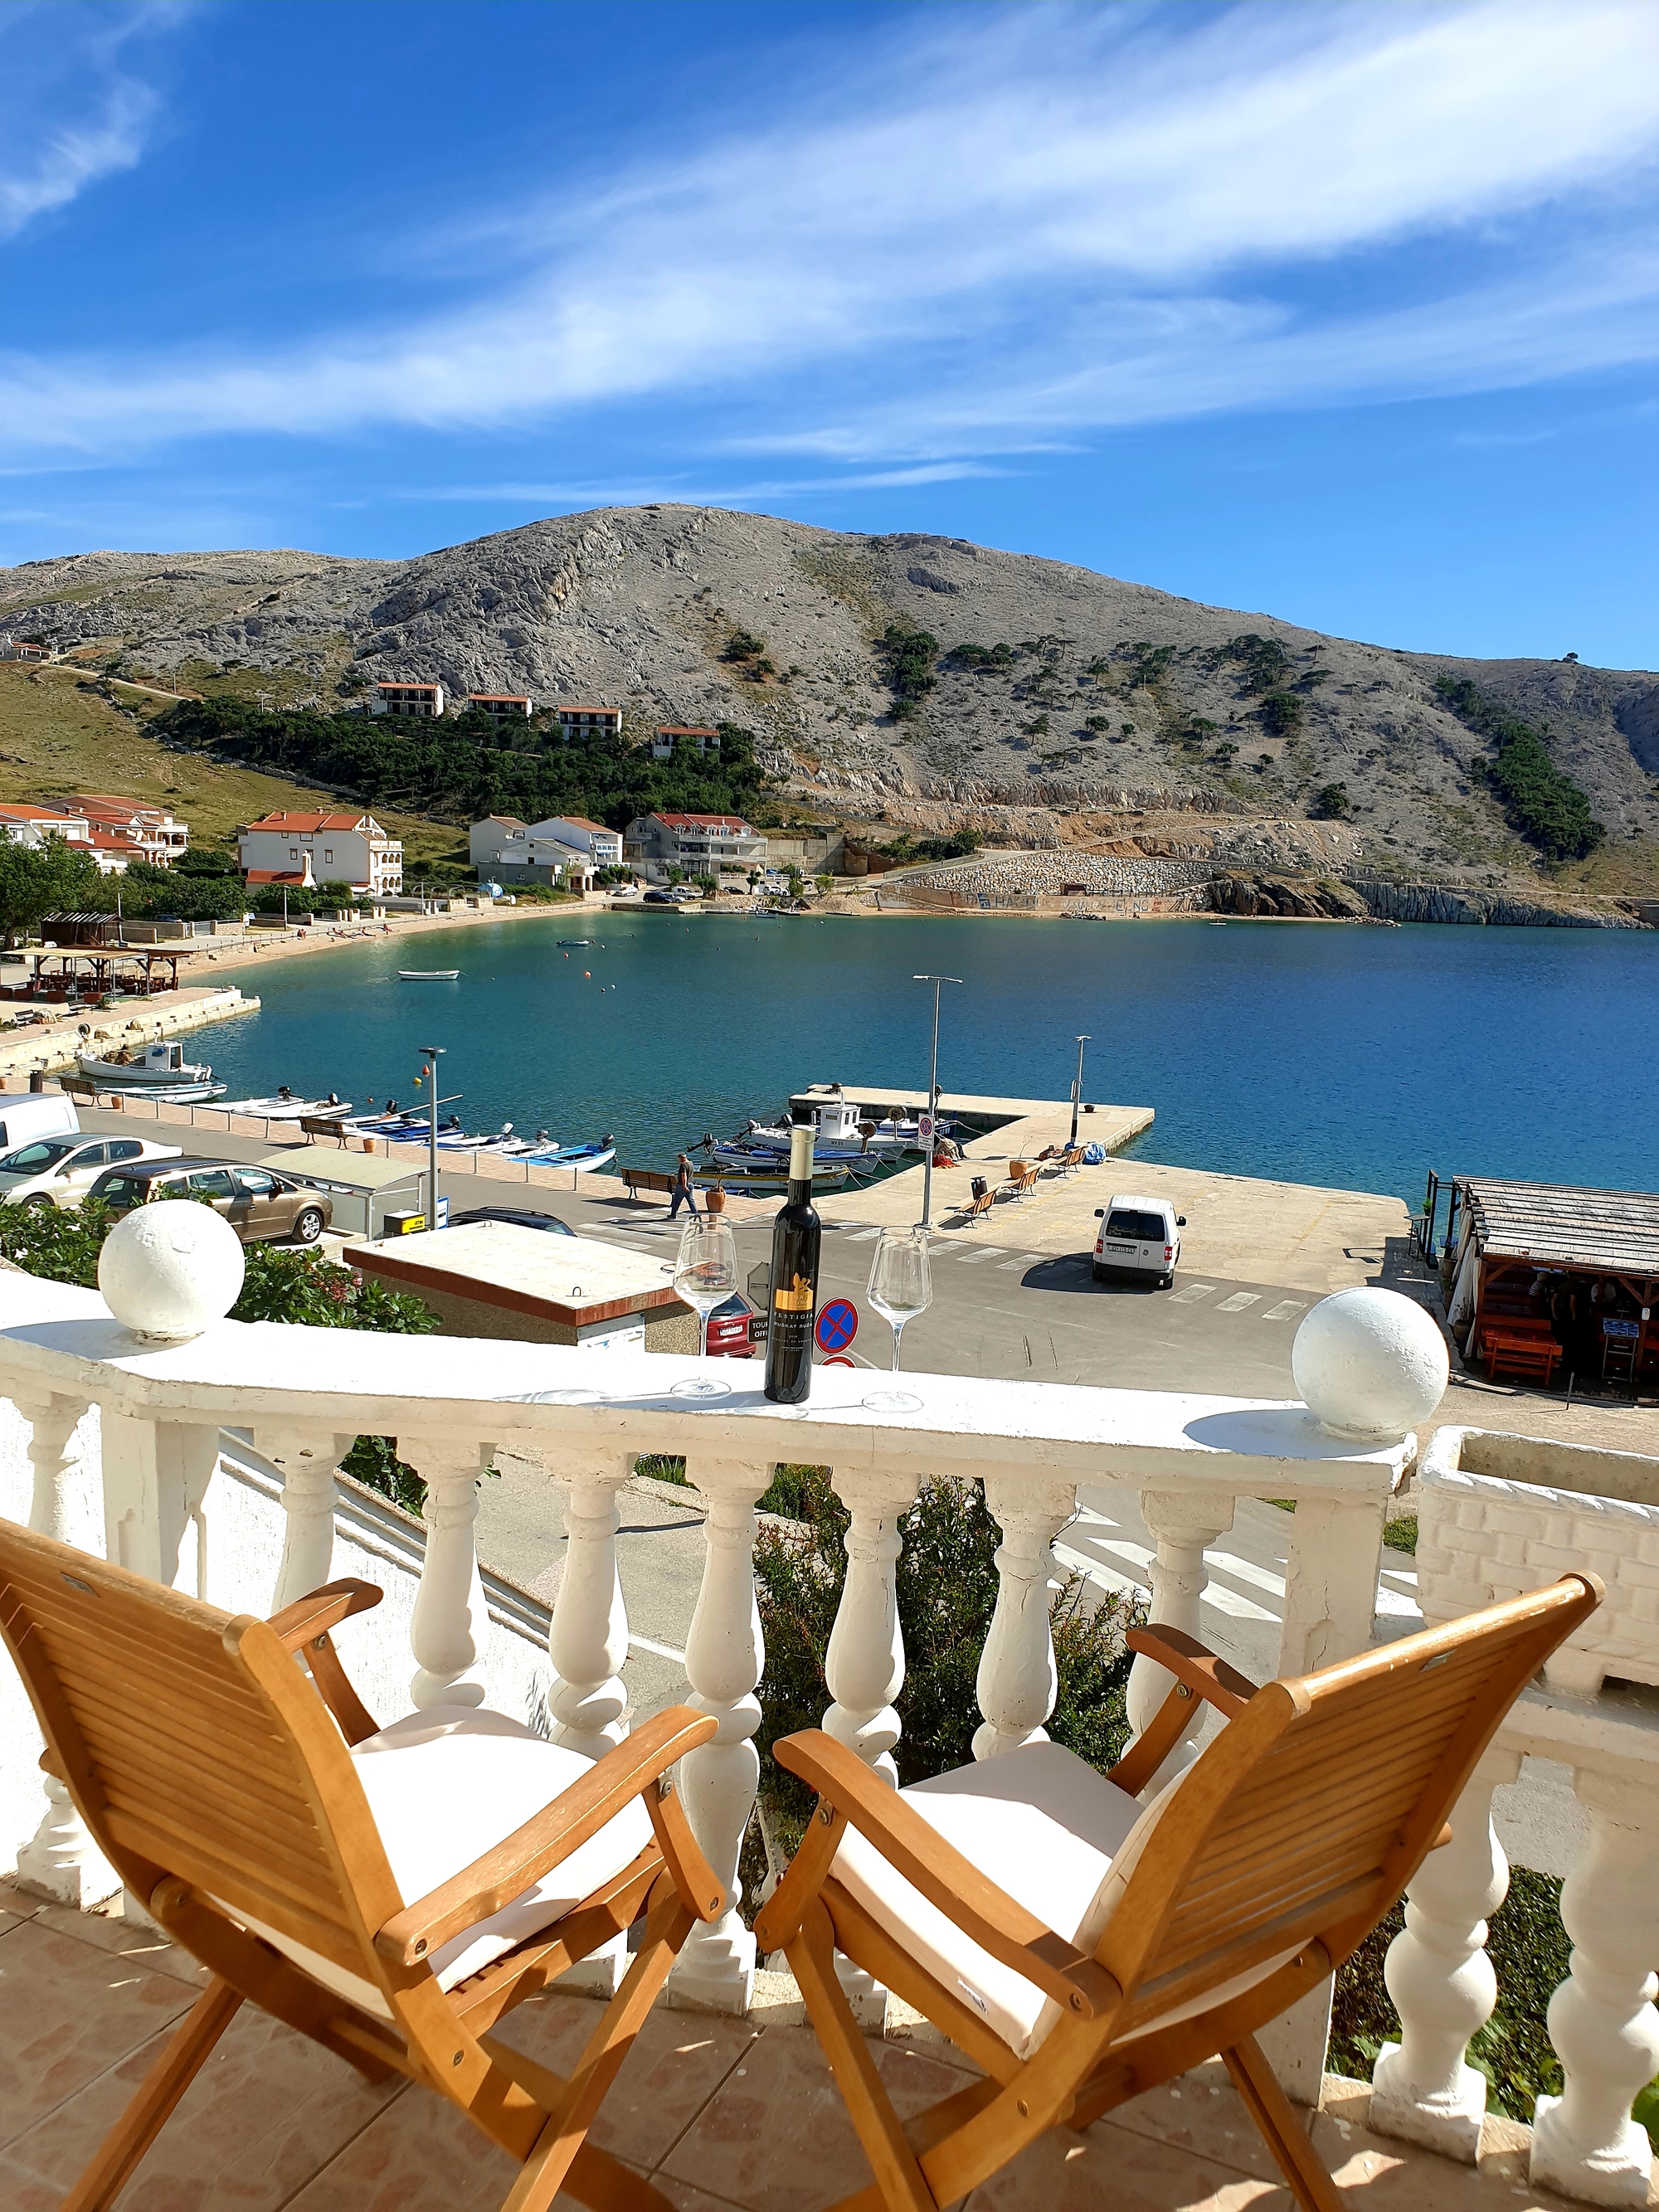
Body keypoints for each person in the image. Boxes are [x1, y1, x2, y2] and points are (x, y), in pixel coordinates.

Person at [669, 1152, 699, 1219]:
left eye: (679, 1159)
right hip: (690, 1184)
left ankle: (673, 1215)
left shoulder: (683, 1165)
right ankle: (696, 1214)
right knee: (691, 1200)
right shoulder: (691, 1163)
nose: (679, 1161)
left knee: (676, 1201)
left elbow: (684, 1176)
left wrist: (684, 1185)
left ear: (682, 1158)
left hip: (682, 1185)